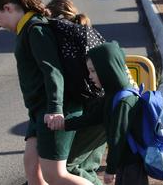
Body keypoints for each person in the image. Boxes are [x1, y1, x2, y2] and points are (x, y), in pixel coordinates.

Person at [0, 0, 91, 185]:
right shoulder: (26, 29)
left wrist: (55, 109)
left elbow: (53, 71)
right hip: (38, 112)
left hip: (55, 110)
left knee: (55, 175)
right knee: (33, 169)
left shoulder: (36, 29)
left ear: (8, 8)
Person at [52, 41, 147, 185]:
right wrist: (64, 124)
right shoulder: (111, 96)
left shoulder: (125, 100)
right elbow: (92, 119)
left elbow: (117, 138)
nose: (90, 76)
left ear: (107, 69)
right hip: (124, 164)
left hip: (132, 165)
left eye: (93, 71)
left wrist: (110, 169)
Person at [47, 0, 107, 185]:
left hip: (95, 111)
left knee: (68, 167)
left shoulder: (62, 33)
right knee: (87, 168)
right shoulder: (87, 31)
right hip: (108, 104)